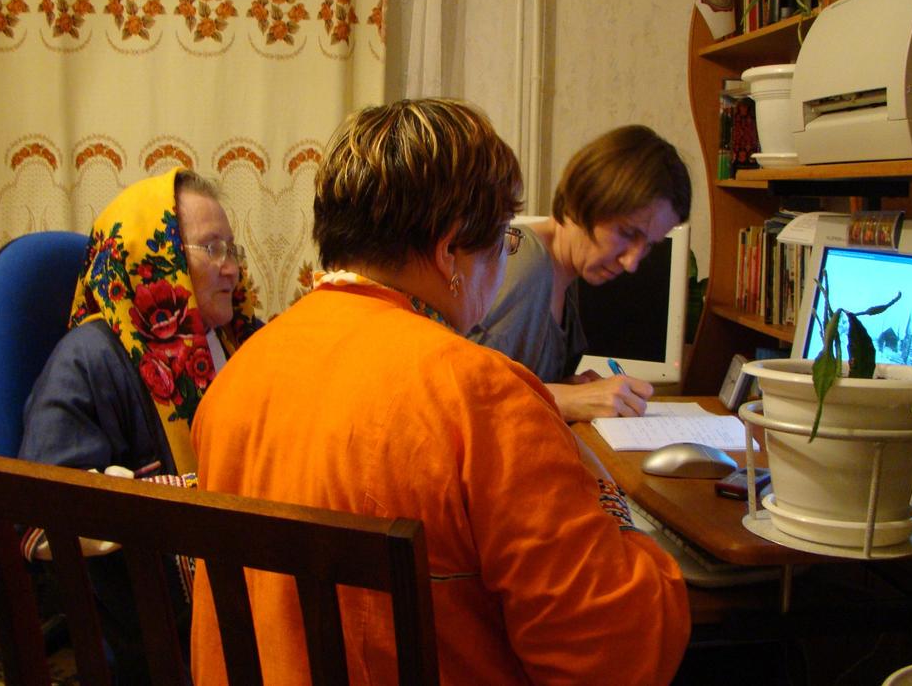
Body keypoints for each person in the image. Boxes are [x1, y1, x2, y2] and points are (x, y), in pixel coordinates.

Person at [189, 99, 690, 686]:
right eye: (503, 238)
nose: (505, 259)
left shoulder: (239, 376)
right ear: (450, 250)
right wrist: (615, 510)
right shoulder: (480, 394)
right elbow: (614, 656)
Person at [18, 167, 263, 682]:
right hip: (158, 628)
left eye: (232, 249)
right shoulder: (87, 358)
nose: (232, 270)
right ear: (154, 260)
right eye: (211, 249)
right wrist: (173, 494)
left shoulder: (241, 339)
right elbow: (40, 515)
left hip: (249, 589)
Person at [469, 125, 692, 422]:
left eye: (648, 245)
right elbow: (466, 395)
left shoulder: (567, 276)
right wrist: (563, 398)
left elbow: (516, 382)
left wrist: (566, 389)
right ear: (580, 200)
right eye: (626, 233)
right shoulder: (524, 265)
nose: (632, 263)